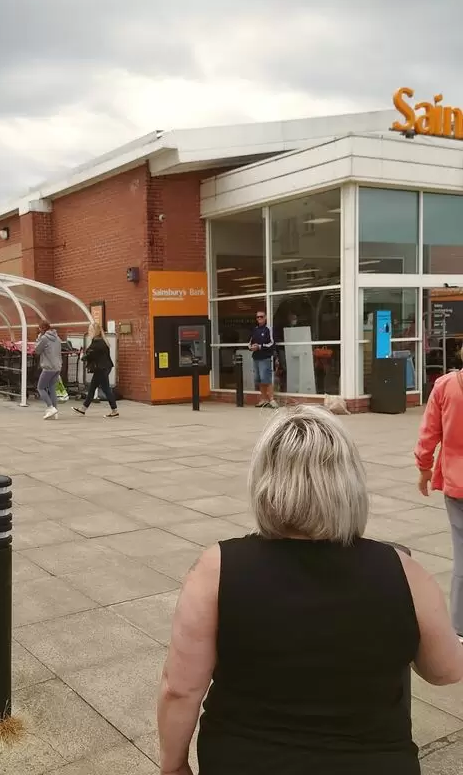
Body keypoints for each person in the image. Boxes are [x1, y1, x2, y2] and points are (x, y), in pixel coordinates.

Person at [158, 405, 463, 775]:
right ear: (349, 482)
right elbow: (445, 670)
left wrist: (173, 766)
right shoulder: (406, 573)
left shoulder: (216, 569)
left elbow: (180, 689)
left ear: (263, 480)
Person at [415, 368, 463, 642]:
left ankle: (460, 626)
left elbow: (429, 433)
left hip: (457, 483)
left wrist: (424, 468)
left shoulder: (446, 386)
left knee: (461, 554)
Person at [72, 323, 119, 418]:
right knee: (92, 388)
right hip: (104, 367)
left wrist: (82, 356)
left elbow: (89, 355)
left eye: (90, 330)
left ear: (94, 331)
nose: (89, 331)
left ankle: (114, 411)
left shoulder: (97, 343)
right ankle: (83, 409)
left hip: (101, 368)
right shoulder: (101, 341)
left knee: (105, 389)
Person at [249, 309, 277, 408]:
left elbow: (272, 343)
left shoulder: (268, 329)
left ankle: (272, 400)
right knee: (259, 379)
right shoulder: (255, 330)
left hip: (265, 358)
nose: (259, 318)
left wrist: (260, 346)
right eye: (258, 317)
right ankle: (264, 399)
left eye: (261, 316)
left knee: (266, 379)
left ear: (265, 318)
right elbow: (250, 342)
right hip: (256, 357)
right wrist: (251, 347)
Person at [34, 321, 62, 420]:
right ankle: (55, 411)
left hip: (48, 367)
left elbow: (37, 350)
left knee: (40, 388)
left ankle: (50, 407)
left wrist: (38, 338)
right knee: (51, 388)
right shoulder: (57, 338)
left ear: (42, 329)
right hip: (57, 367)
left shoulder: (44, 338)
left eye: (39, 328)